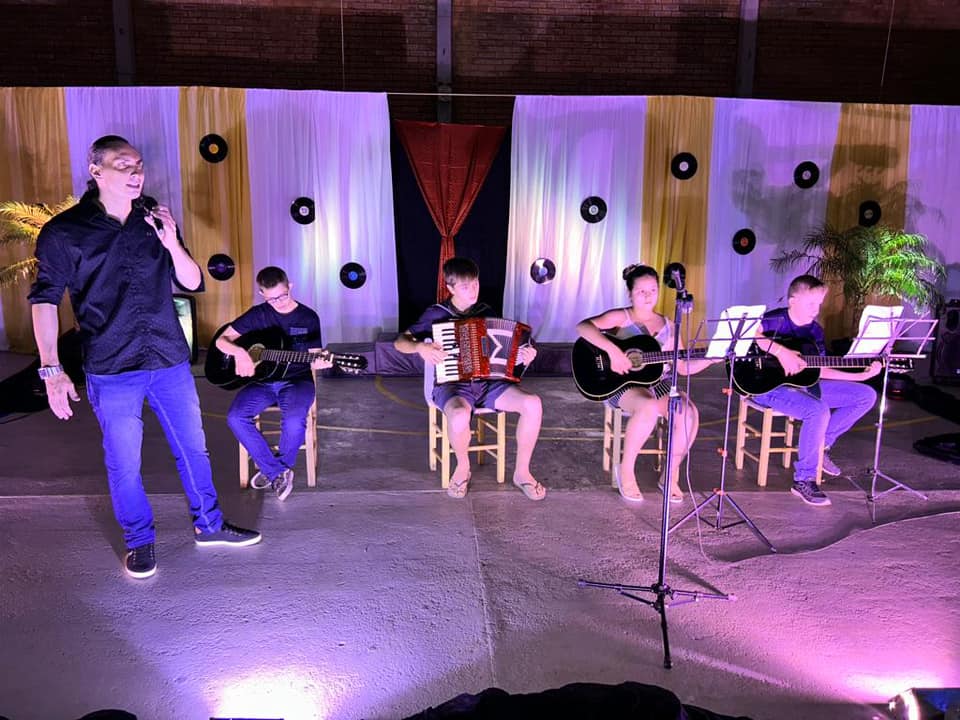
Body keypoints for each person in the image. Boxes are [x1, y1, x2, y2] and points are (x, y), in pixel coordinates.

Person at [28, 135, 261, 580]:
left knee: (194, 449)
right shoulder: (64, 232)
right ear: (96, 170)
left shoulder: (154, 217)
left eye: (138, 165)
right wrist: (51, 368)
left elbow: (191, 281)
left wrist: (172, 243)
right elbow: (44, 300)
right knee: (125, 463)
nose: (136, 173)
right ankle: (139, 541)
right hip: (112, 367)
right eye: (123, 165)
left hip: (168, 359)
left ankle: (210, 525)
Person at [395, 257, 545, 500]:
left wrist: (524, 355)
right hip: (453, 385)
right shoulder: (436, 314)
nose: (473, 291)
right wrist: (420, 348)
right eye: (465, 287)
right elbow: (400, 342)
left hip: (490, 384)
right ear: (451, 288)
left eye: (475, 284)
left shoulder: (485, 311)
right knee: (459, 415)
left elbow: (503, 354)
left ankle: (522, 473)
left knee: (533, 403)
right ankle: (463, 467)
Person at [576, 264, 719, 504]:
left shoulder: (669, 326)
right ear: (630, 293)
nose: (647, 296)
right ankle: (626, 471)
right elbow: (583, 327)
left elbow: (683, 367)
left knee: (687, 413)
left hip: (658, 382)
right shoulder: (621, 317)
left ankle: (670, 474)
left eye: (652, 290)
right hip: (622, 383)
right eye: (641, 291)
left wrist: (712, 359)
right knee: (648, 406)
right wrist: (613, 352)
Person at [749, 274, 880, 506]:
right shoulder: (775, 320)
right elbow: (749, 334)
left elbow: (821, 370)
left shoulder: (815, 331)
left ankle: (821, 445)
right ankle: (804, 479)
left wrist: (860, 376)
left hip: (804, 384)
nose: (816, 309)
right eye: (811, 303)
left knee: (866, 395)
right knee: (817, 410)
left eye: (819, 304)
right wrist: (781, 352)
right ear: (793, 301)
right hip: (767, 385)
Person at [216, 266, 332, 501]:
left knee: (293, 420)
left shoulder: (308, 317)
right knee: (235, 417)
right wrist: (240, 353)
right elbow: (221, 340)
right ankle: (278, 472)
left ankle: (272, 470)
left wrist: (320, 362)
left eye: (282, 296)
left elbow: (315, 355)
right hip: (263, 381)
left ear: (290, 287)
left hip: (297, 380)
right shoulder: (258, 314)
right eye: (271, 299)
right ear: (262, 294)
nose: (278, 303)